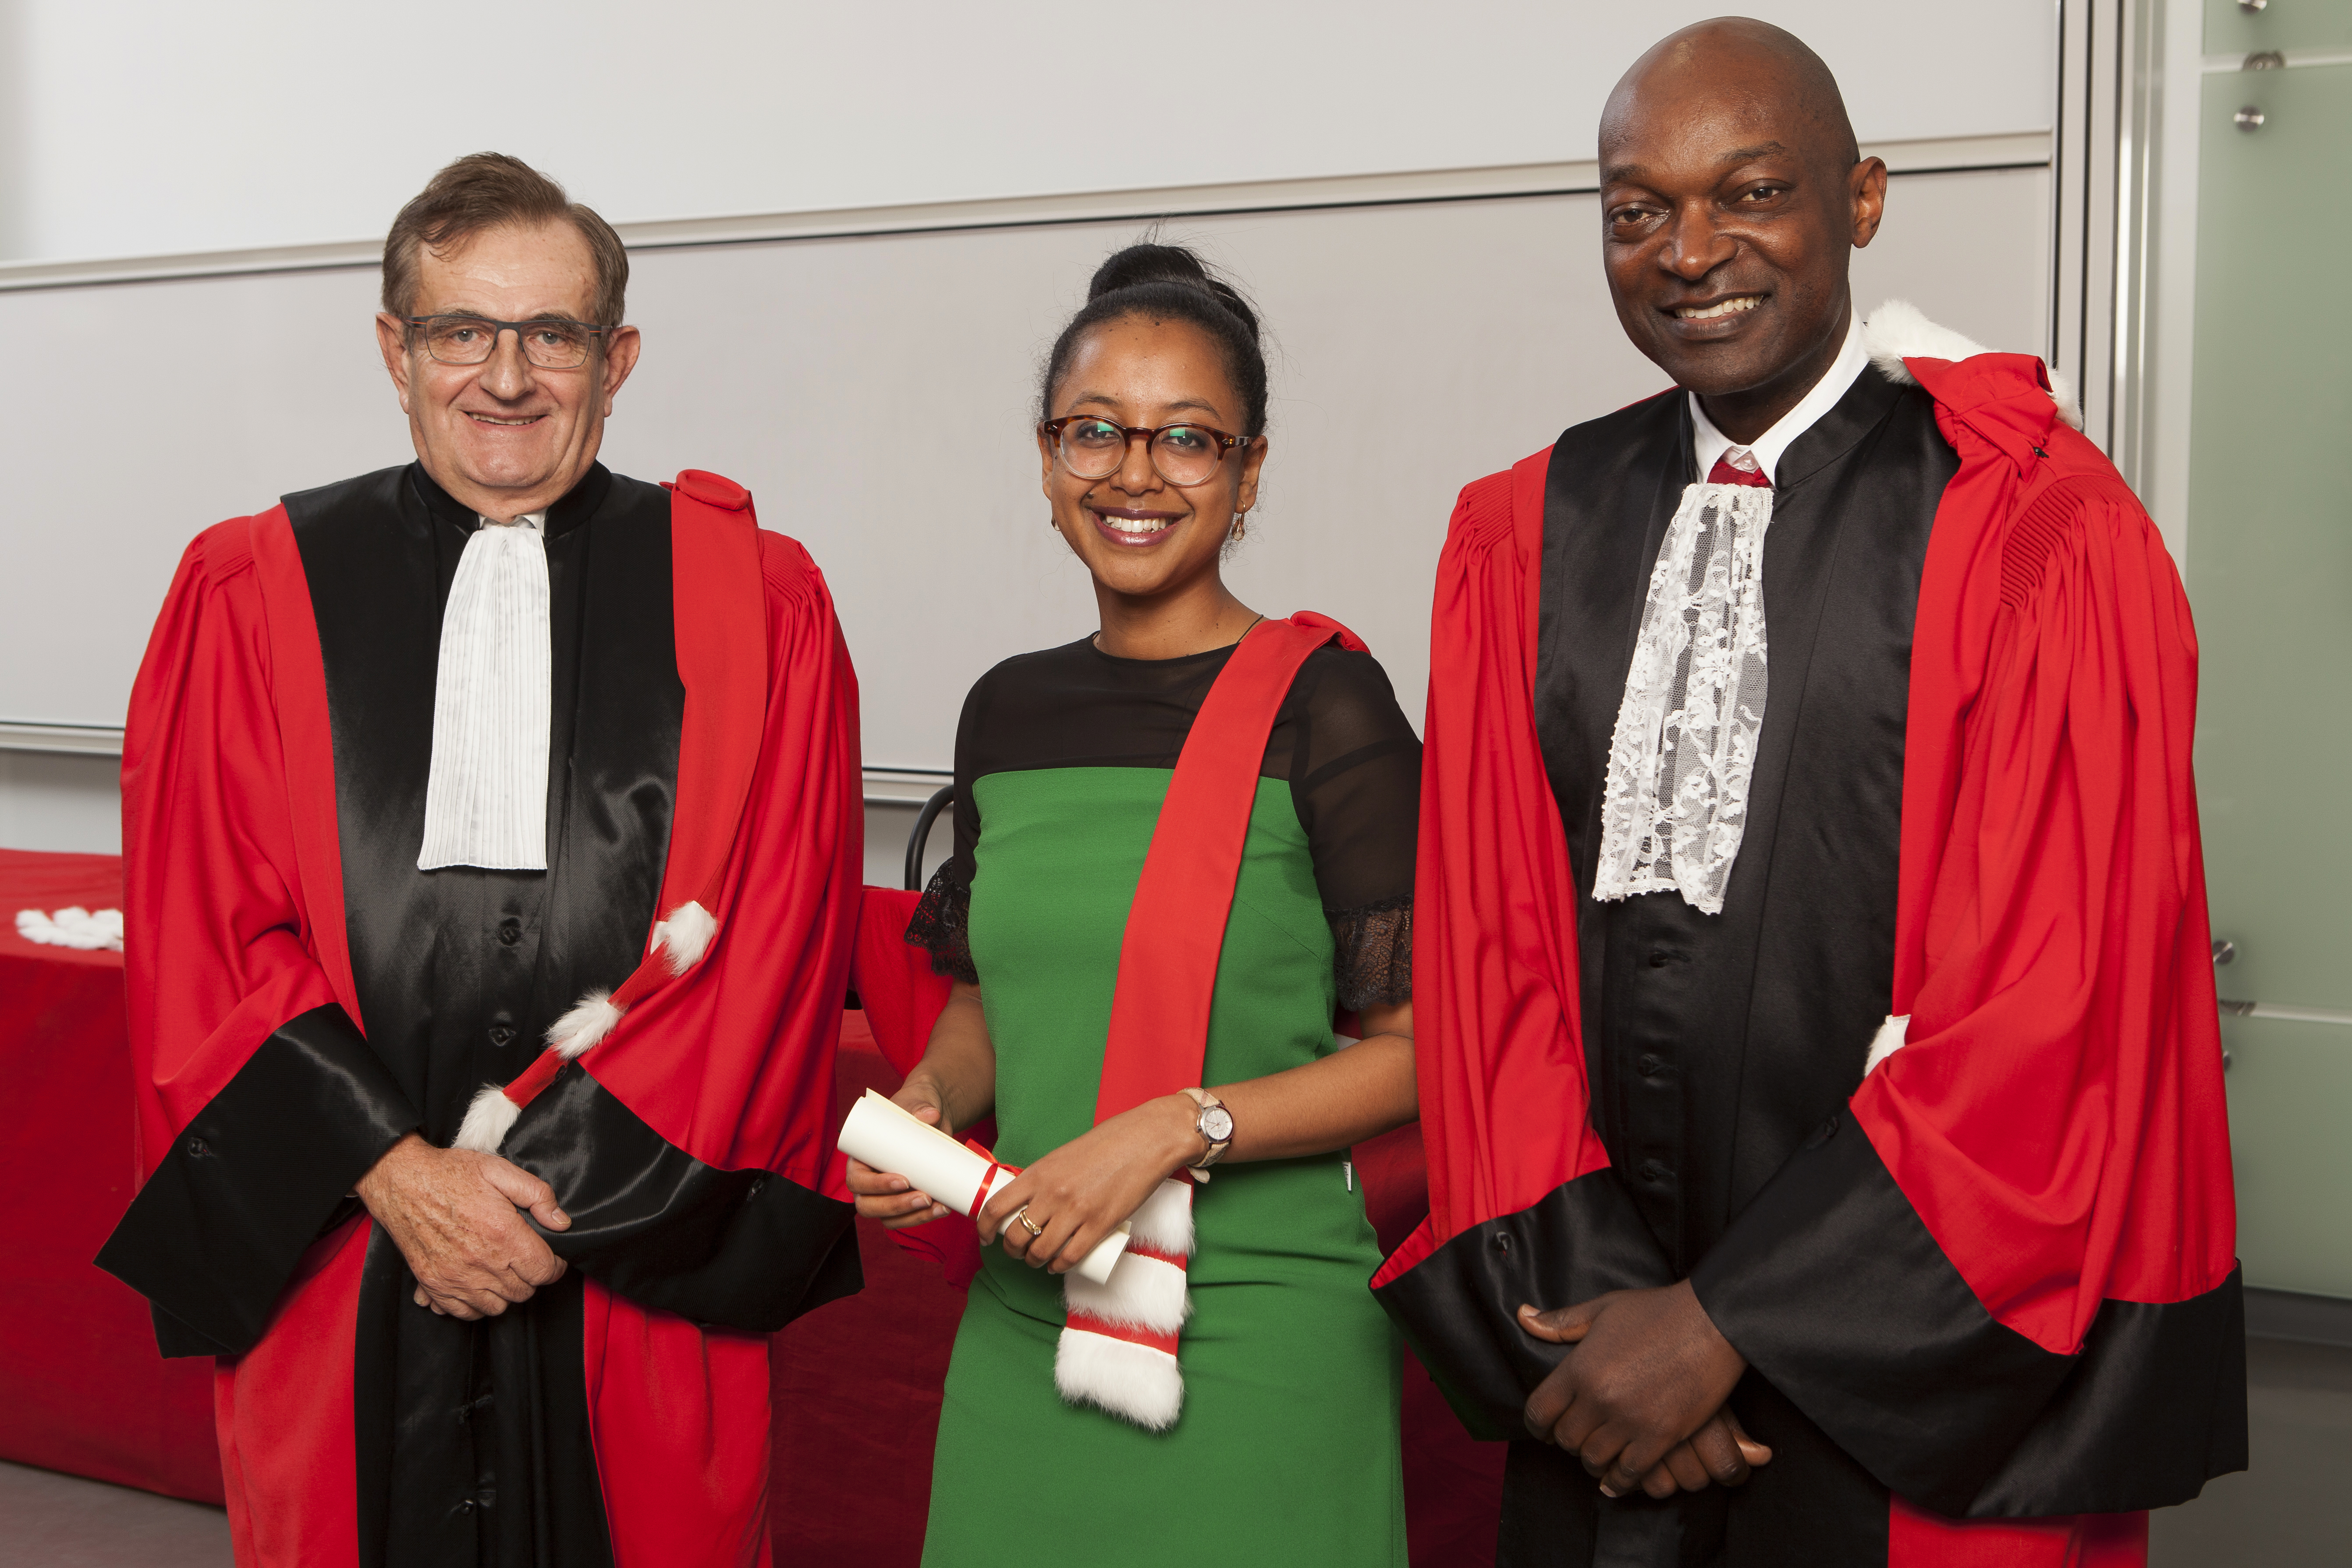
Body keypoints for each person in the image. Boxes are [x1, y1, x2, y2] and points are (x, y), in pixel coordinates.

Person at [1373, 20, 2243, 1568]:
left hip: (1905, 1354)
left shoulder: (2030, 528)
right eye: (1637, 210)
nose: (1691, 251)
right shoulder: (1525, 530)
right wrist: (1615, 1336)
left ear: (1864, 200)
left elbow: (2055, 1002)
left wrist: (1726, 1325)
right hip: (1604, 1337)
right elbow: (1489, 962)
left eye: (1752, 191)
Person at [96, 153, 865, 1568]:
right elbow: (212, 931)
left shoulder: (759, 602)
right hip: (347, 1249)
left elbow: (775, 942)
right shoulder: (251, 588)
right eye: (462, 331)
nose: (505, 378)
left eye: (552, 335)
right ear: (397, 349)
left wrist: (535, 1210)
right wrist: (396, 1173)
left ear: (615, 357)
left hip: (637, 1250)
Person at [848, 243, 1420, 1566]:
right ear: (1047, 457)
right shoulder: (1007, 706)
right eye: (1095, 431)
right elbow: (990, 1004)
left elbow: (1420, 1056)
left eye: (1188, 440)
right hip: (1028, 1298)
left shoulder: (1328, 706)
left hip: (1259, 1322)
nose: (1135, 474)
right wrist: (935, 1096)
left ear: (1251, 469)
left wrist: (1178, 1125)